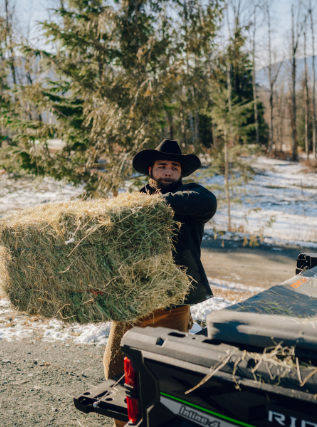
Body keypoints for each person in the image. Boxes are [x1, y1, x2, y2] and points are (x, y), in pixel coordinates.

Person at [102, 139, 217, 426]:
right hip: (131, 302)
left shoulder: (193, 197)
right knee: (117, 366)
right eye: (162, 166)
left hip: (172, 303)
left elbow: (208, 202)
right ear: (151, 170)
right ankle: (123, 423)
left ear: (181, 173)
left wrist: (153, 205)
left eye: (174, 167)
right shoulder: (131, 202)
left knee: (169, 370)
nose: (168, 171)